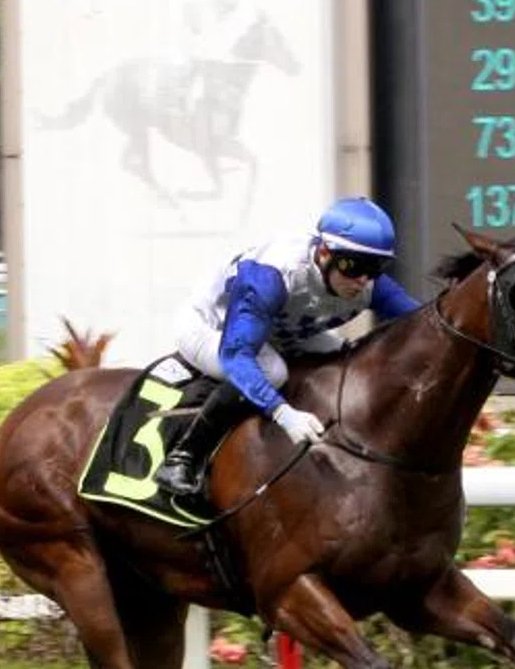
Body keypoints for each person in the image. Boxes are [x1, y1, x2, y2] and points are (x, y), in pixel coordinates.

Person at [155, 195, 422, 498]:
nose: (363, 280)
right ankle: (183, 457)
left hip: (282, 330)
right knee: (272, 371)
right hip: (212, 326)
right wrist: (283, 413)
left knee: (349, 354)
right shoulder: (271, 275)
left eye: (375, 268)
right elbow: (237, 357)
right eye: (353, 266)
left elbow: (423, 323)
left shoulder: (365, 282)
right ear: (324, 252)